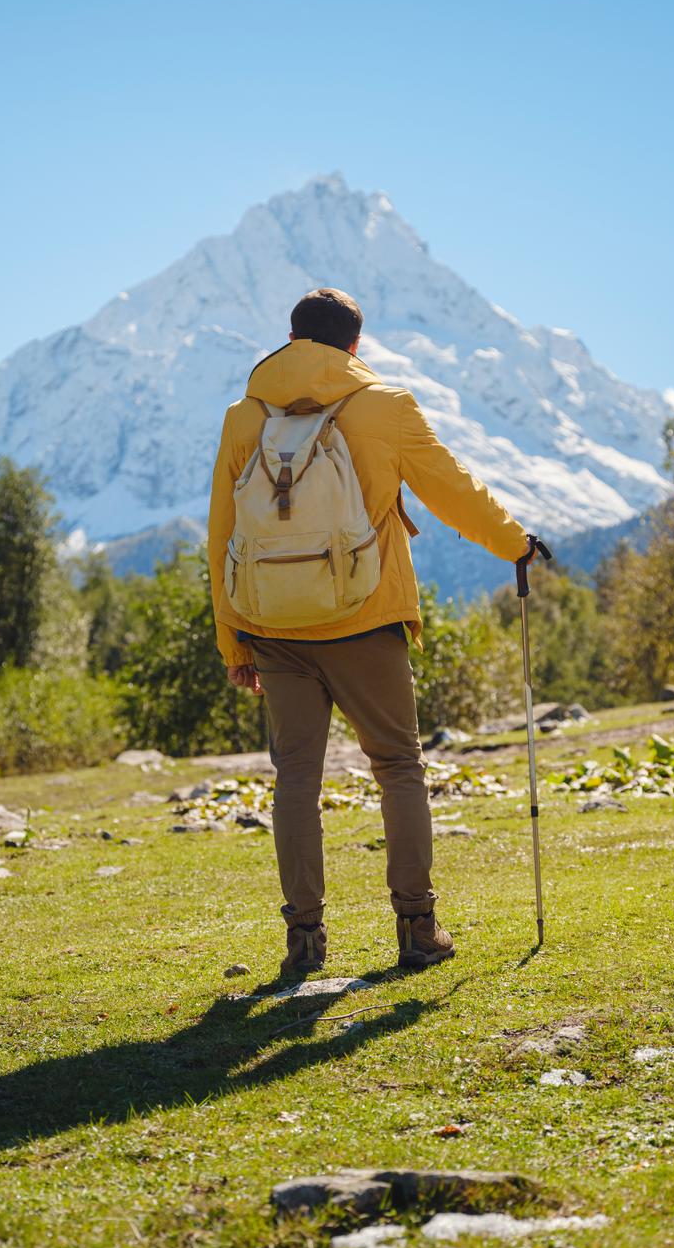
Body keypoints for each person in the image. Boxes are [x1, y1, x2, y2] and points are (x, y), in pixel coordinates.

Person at [208, 287, 537, 979]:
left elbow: (223, 535)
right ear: (354, 346)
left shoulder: (245, 417)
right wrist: (516, 546)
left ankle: (303, 940)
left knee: (295, 777)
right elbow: (453, 490)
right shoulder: (385, 406)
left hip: (274, 624)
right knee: (397, 766)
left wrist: (234, 640)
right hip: (365, 617)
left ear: (291, 338)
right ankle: (417, 927)